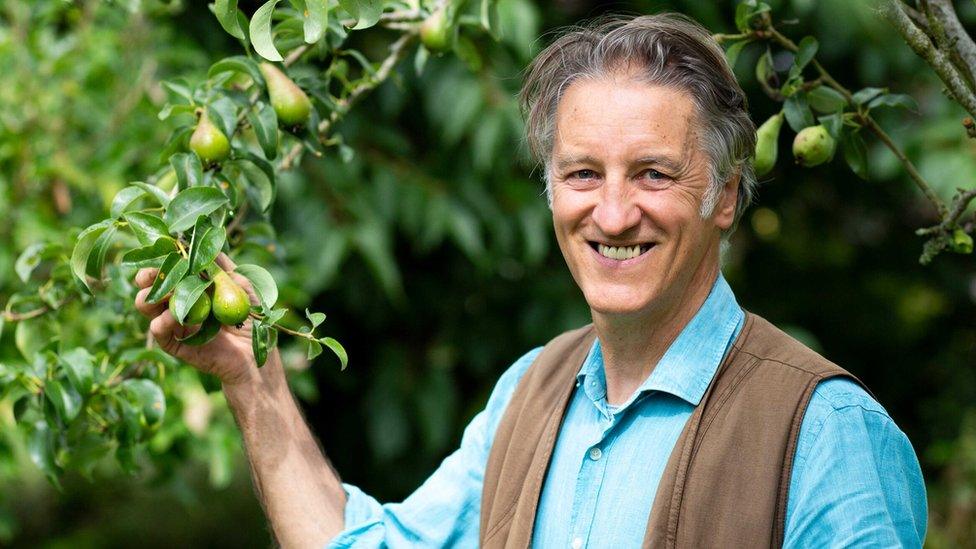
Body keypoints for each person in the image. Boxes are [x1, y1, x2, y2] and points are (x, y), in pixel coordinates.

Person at [134, 12, 927, 549]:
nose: (613, 214)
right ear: (550, 190)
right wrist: (255, 385)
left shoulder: (825, 431)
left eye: (653, 173)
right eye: (583, 173)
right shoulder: (531, 393)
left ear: (723, 193)